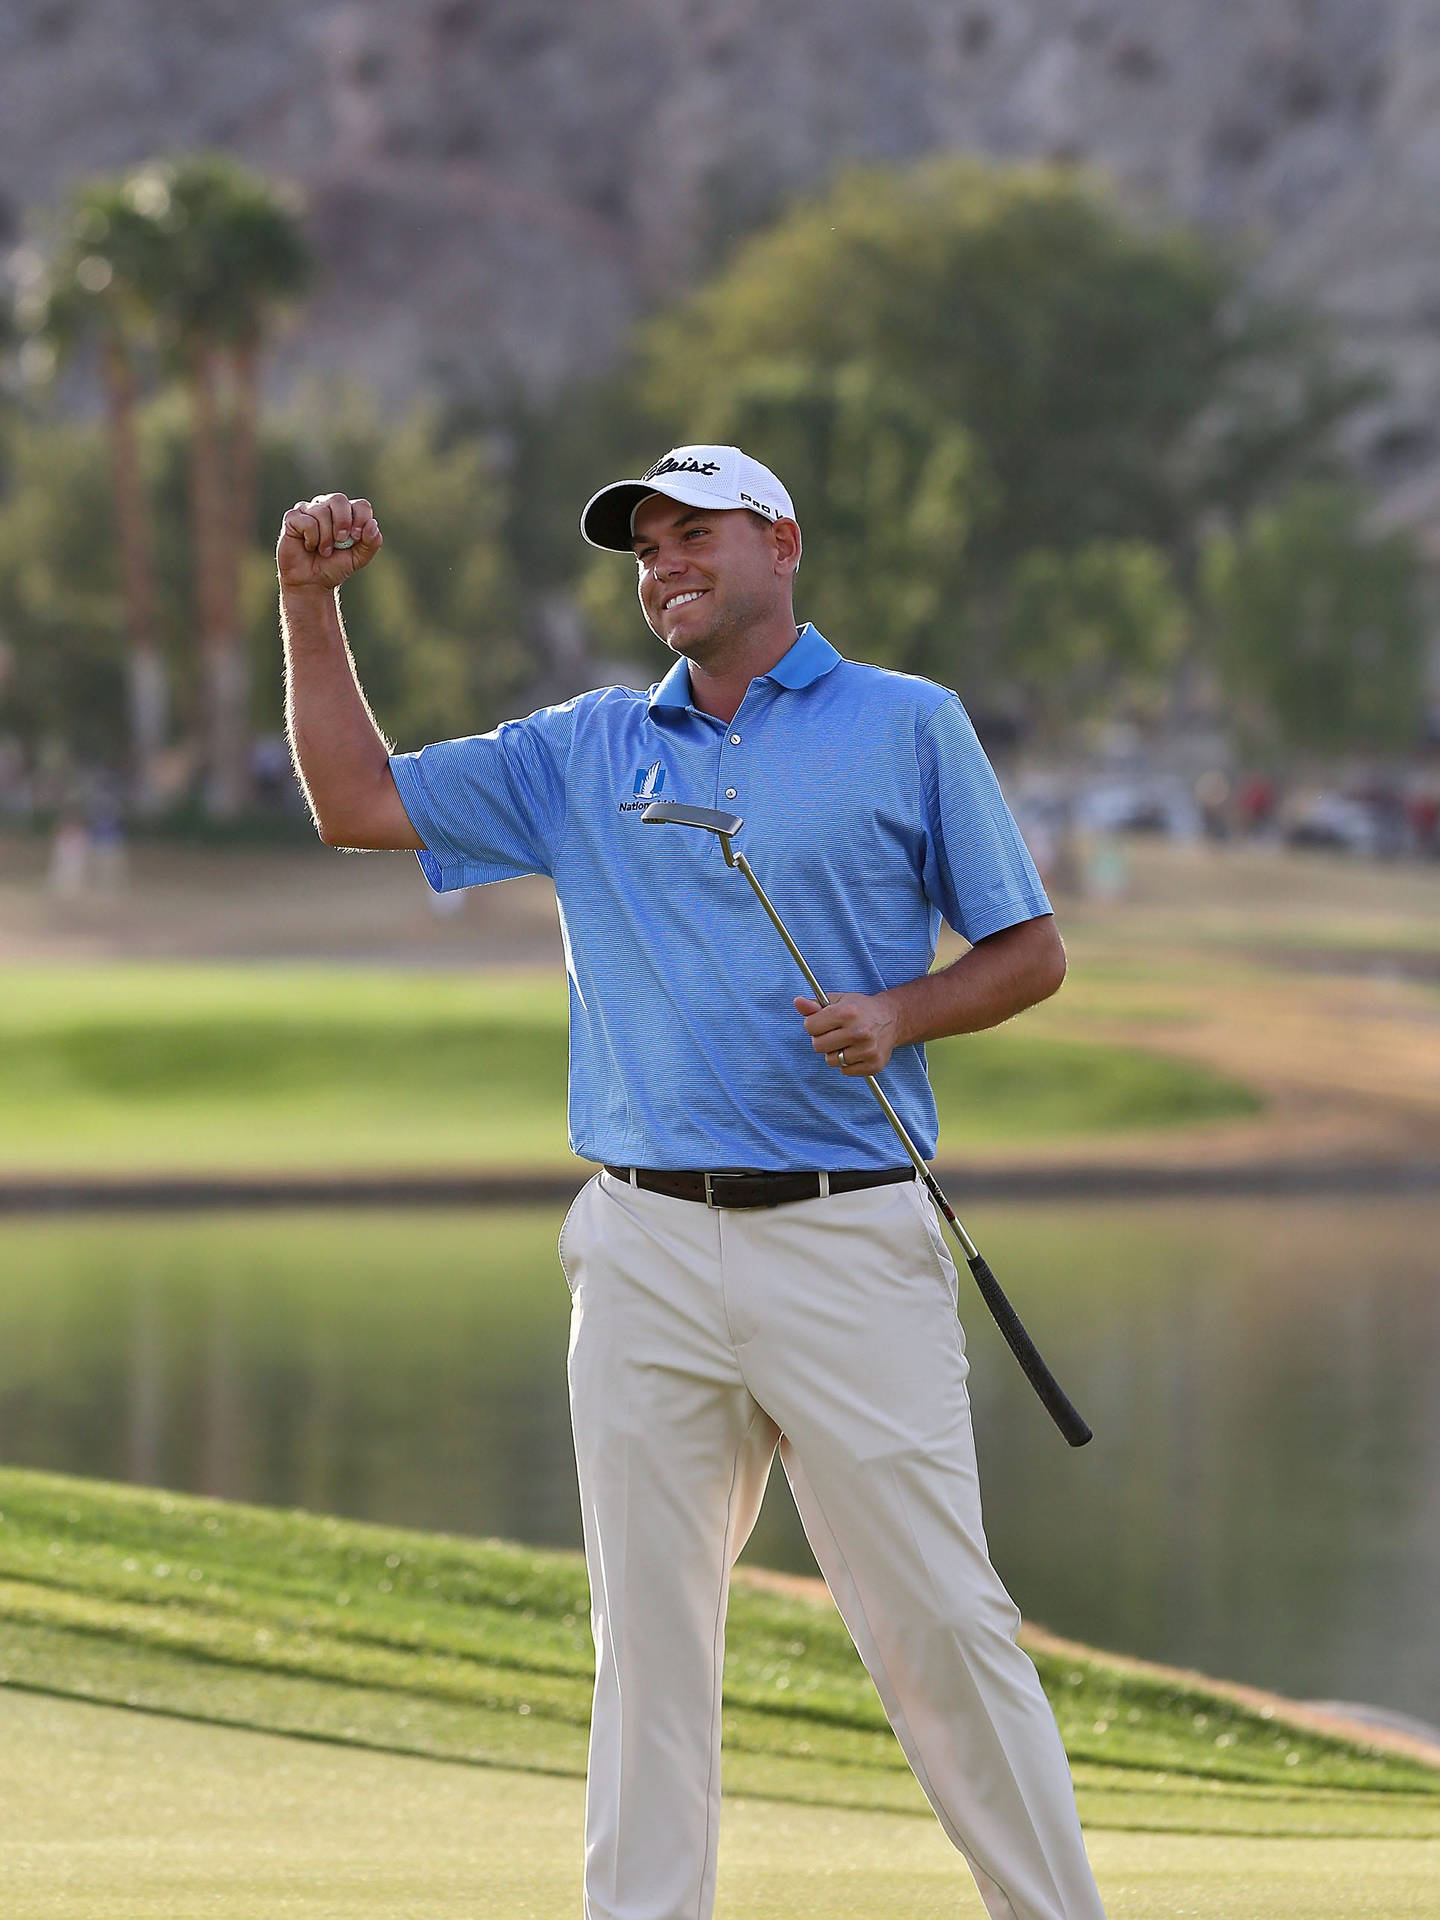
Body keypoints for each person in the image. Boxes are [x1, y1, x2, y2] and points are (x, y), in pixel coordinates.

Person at [277, 444, 1108, 1920]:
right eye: (644, 544)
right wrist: (307, 605)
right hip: (644, 1242)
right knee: (647, 1639)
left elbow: (1027, 951)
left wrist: (902, 1015)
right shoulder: (583, 748)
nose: (663, 560)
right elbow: (351, 800)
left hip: (848, 1234)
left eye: (692, 533)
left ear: (781, 542)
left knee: (942, 1625)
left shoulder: (908, 723)